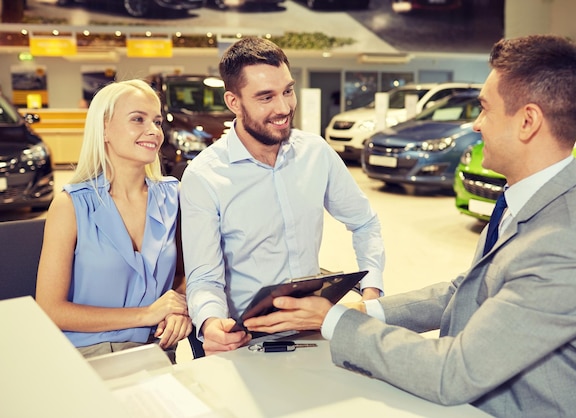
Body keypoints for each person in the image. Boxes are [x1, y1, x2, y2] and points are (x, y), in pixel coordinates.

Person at [245, 35, 576, 417]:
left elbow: (453, 372)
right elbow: (466, 292)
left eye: (485, 109)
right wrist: (365, 311)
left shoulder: (568, 244)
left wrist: (333, 320)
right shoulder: (526, 201)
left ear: (528, 121)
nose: (476, 125)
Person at [180, 37, 385, 355]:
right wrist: (210, 322)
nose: (284, 108)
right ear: (234, 102)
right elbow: (204, 276)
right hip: (247, 340)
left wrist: (372, 291)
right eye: (266, 97)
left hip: (314, 328)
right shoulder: (203, 177)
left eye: (288, 91)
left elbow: (364, 222)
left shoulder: (315, 152)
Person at [36, 79, 192, 362]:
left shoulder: (174, 196)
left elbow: (184, 276)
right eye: (138, 119)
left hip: (155, 353)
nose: (153, 131)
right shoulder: (70, 205)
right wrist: (146, 314)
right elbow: (50, 310)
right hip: (86, 357)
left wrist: (180, 306)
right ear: (104, 129)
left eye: (157, 121)